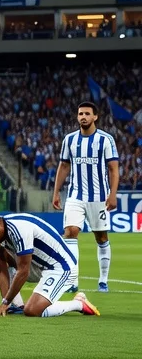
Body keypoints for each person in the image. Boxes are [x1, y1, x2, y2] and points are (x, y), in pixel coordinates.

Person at [0, 211, 100, 318]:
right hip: (38, 265)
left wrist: (5, 302)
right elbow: (1, 270)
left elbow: (23, 271)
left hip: (61, 268)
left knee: (32, 311)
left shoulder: (19, 229)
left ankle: (79, 303)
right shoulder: (2, 229)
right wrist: (6, 302)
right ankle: (15, 306)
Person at [51, 102, 120, 292]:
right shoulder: (70, 140)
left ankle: (103, 280)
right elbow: (64, 166)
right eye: (80, 113)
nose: (83, 117)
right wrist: (56, 192)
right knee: (70, 232)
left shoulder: (106, 140)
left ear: (95, 117)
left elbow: (113, 169)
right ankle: (72, 280)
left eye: (87, 114)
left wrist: (113, 194)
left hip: (99, 197)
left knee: (101, 237)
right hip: (75, 196)